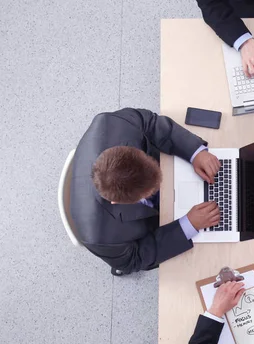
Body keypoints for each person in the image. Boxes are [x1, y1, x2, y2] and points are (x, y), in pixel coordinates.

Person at [70, 108, 221, 275]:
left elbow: (152, 123)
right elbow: (134, 259)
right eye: (151, 191)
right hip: (149, 227)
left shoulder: (113, 123)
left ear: (130, 150)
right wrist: (188, 226)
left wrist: (195, 152)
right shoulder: (99, 237)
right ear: (117, 202)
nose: (162, 185)